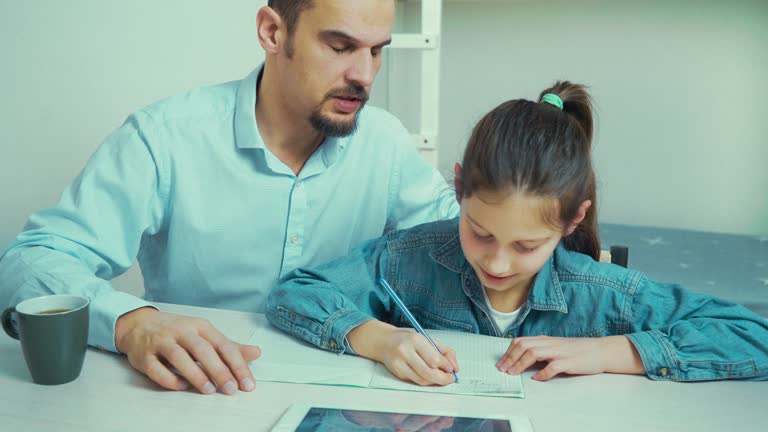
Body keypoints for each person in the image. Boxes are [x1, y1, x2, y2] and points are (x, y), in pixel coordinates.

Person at [0, 0, 458, 395]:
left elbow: (475, 248)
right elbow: (30, 261)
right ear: (272, 31)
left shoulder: (387, 144)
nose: (364, 75)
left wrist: (533, 320)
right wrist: (133, 324)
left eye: (377, 51)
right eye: (340, 47)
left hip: (347, 399)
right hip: (190, 396)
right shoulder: (164, 139)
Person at [267, 81, 768, 385]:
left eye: (527, 246)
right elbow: (296, 291)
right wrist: (376, 339)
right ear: (459, 187)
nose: (498, 264)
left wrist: (614, 351)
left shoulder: (601, 294)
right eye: (480, 232)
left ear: (572, 222)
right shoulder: (408, 258)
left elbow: (752, 336)